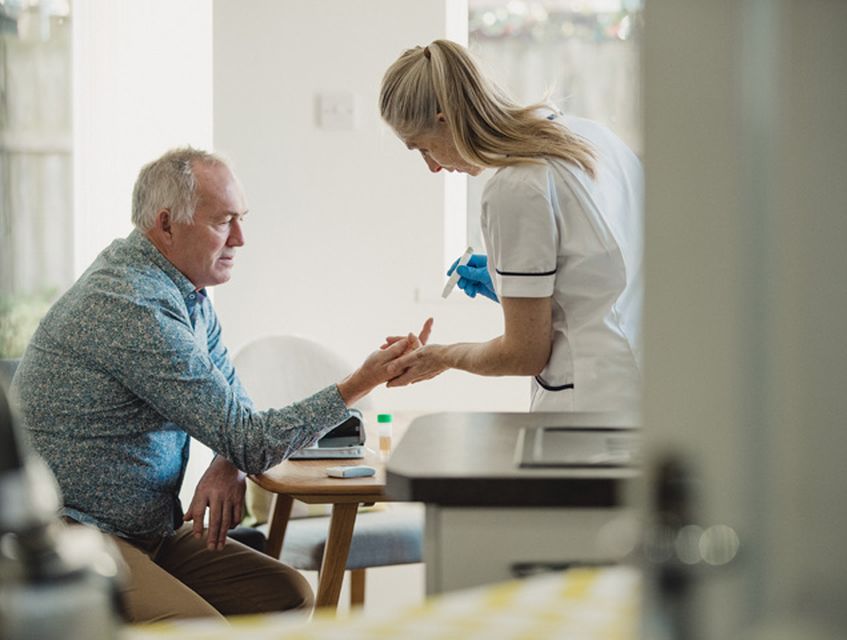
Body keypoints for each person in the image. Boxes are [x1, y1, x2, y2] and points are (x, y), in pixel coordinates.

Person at [10, 147, 421, 623]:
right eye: (224, 221)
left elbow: (236, 416)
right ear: (166, 225)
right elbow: (250, 437)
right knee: (203, 631)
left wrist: (229, 460)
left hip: (149, 530)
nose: (241, 239)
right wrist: (361, 382)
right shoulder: (134, 305)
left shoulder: (187, 293)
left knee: (286, 597)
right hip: (77, 533)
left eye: (241, 219)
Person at [378, 39, 643, 413]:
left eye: (423, 147)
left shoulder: (515, 186)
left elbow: (523, 355)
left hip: (590, 411)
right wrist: (515, 286)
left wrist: (441, 357)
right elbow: (605, 273)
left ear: (445, 120)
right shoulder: (592, 137)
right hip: (647, 388)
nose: (433, 167)